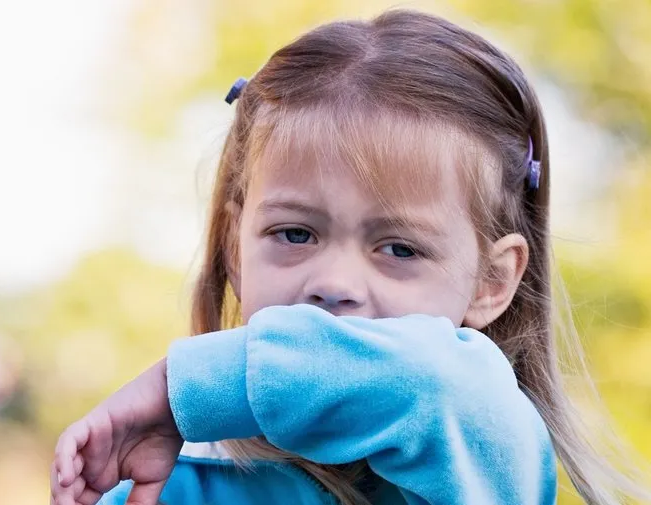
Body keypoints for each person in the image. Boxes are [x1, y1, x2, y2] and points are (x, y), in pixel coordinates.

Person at [50, 9, 649, 505]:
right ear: (236, 247)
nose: (333, 282)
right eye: (294, 234)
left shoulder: (481, 447)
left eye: (398, 248)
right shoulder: (162, 486)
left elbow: (433, 381)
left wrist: (183, 388)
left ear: (490, 282)